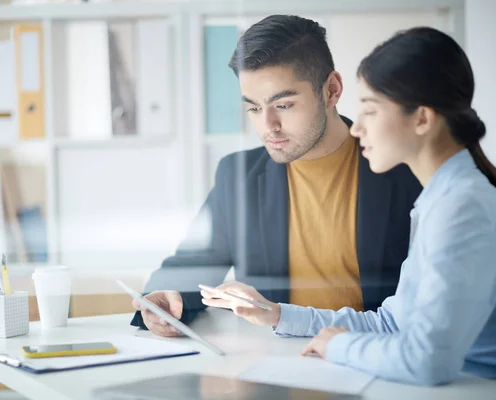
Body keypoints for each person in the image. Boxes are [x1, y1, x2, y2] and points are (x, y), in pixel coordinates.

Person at [201, 26, 496, 386]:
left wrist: (340, 346)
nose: (357, 129)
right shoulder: (439, 200)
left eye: (370, 111)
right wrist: (277, 315)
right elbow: (391, 323)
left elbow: (428, 361)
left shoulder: (462, 207)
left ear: (421, 118)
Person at [131, 15, 421, 337]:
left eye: (282, 105)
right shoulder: (237, 176)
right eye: (253, 108)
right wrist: (164, 299)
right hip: (277, 364)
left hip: (375, 358)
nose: (268, 126)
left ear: (331, 90)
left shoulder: (405, 171)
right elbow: (190, 266)